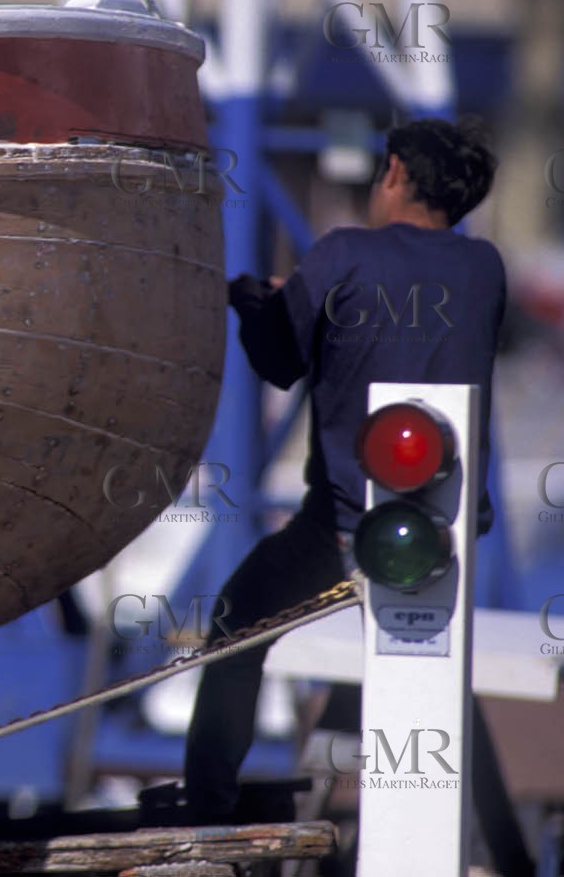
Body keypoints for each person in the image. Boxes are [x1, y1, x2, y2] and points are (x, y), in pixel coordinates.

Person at [175, 116, 506, 824]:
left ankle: (206, 814)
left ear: (395, 172)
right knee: (438, 684)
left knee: (236, 625)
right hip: (444, 534)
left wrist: (256, 301)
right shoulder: (484, 269)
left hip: (344, 527)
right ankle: (501, 847)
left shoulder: (345, 253)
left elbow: (277, 359)